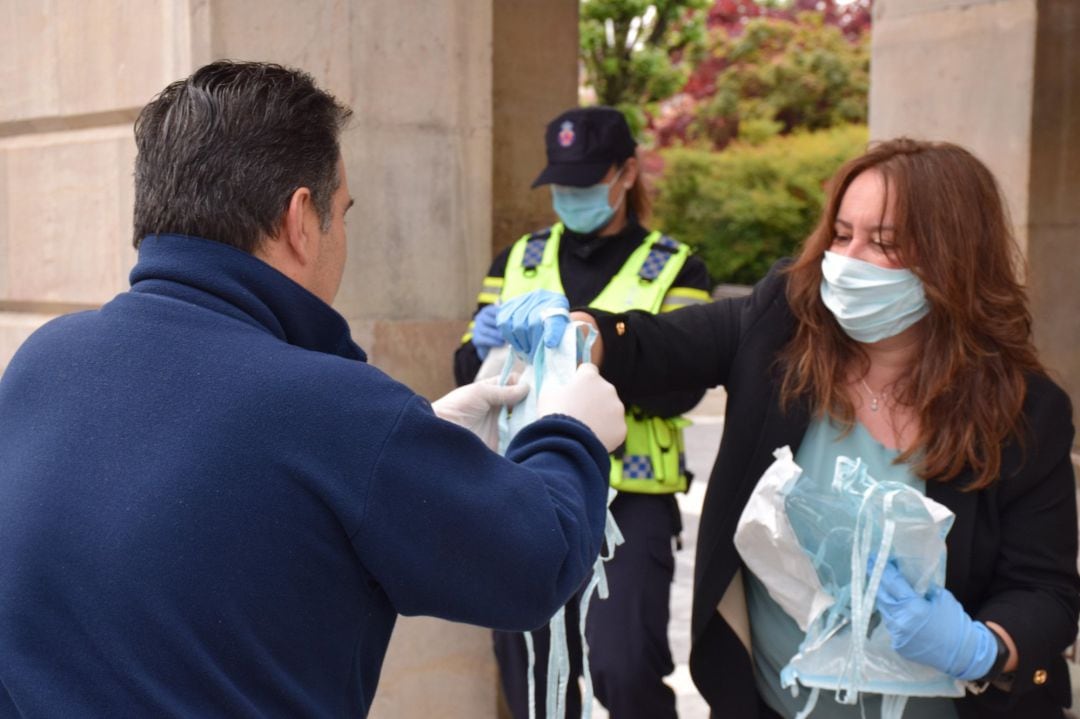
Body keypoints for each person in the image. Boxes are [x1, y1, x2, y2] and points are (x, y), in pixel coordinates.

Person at [0, 61, 629, 718]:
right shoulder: (334, 408)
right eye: (343, 213)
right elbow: (534, 560)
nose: (342, 235)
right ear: (301, 219)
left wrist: (415, 442)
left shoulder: (43, 360)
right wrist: (570, 431)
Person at [499, 138, 1080, 718]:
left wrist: (980, 649)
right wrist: (579, 331)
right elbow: (658, 344)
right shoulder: (782, 324)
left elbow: (1047, 592)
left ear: (955, 258)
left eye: (884, 243)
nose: (850, 260)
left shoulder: (1025, 410)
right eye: (841, 233)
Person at [454, 106, 711, 719]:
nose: (571, 196)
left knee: (624, 669)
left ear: (626, 174)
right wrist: (487, 344)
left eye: (586, 182)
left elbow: (685, 383)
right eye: (562, 185)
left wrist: (587, 364)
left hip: (631, 496)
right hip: (525, 491)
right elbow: (469, 369)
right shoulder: (518, 259)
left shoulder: (675, 266)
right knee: (532, 672)